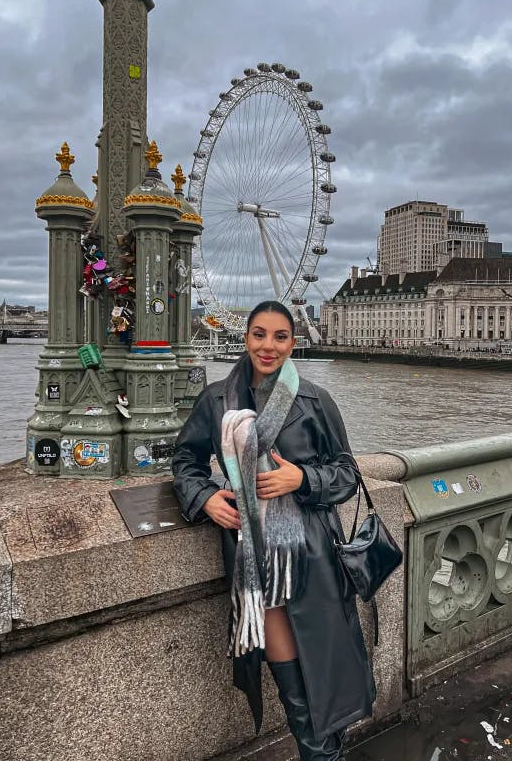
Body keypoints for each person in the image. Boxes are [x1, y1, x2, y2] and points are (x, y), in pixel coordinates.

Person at [172, 301, 375, 760]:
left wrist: (302, 479)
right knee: (295, 691)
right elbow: (184, 461)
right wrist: (204, 498)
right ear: (245, 338)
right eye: (259, 334)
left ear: (292, 342)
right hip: (255, 559)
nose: (268, 346)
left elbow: (346, 473)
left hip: (314, 555)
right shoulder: (218, 400)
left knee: (326, 675)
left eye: (280, 336)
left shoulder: (316, 400)